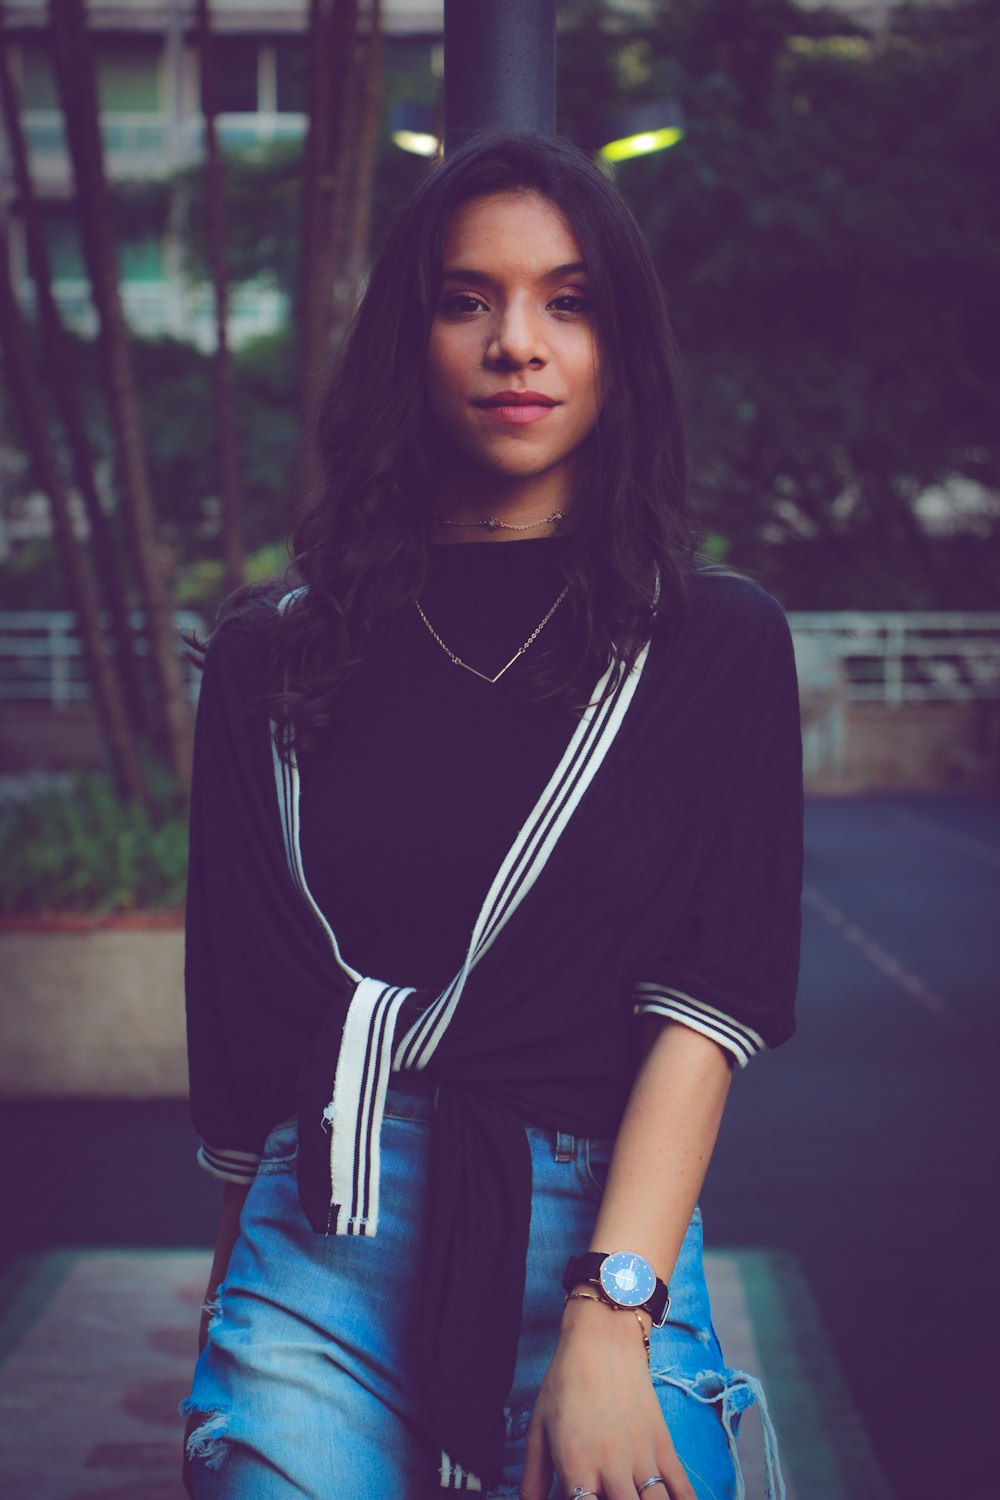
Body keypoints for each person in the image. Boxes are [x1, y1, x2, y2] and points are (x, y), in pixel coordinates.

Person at [180, 132, 801, 1500]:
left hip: (597, 1227)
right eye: (468, 300)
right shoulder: (270, 655)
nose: (517, 342)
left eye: (566, 303)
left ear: (619, 347)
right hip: (322, 1236)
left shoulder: (715, 644)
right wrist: (231, 1333)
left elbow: (713, 1006)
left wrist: (611, 1314)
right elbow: (236, 1035)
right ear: (411, 337)